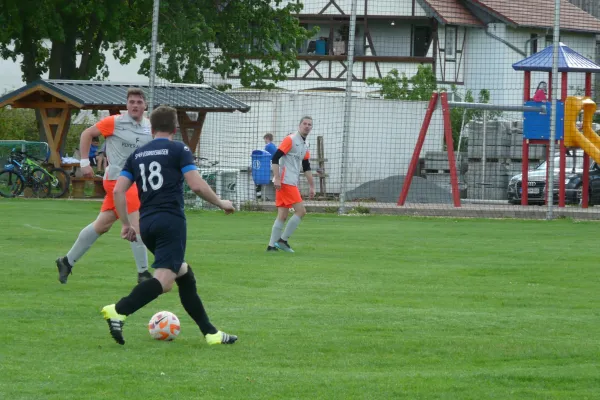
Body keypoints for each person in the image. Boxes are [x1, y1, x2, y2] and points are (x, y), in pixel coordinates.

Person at [100, 105, 237, 346]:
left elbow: (119, 190)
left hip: (147, 224)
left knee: (184, 274)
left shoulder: (137, 155)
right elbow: (196, 185)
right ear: (175, 128)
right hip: (170, 222)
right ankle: (118, 310)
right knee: (164, 282)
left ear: (151, 128)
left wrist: (125, 224)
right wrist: (220, 202)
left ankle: (211, 332)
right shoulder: (178, 149)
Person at [55, 88, 153, 284]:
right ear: (127, 105)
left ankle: (66, 261)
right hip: (118, 181)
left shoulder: (149, 127)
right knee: (137, 224)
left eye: (139, 102)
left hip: (136, 183)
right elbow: (86, 134)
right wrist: (84, 163)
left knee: (103, 224)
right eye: (131, 101)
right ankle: (143, 274)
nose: (135, 105)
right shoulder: (114, 122)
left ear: (145, 105)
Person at [266, 116, 315, 253]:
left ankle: (271, 247)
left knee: (282, 215)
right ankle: (282, 241)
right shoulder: (291, 139)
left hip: (291, 181)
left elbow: (306, 167)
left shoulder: (305, 145)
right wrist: (276, 177)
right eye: (304, 124)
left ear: (311, 127)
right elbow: (275, 157)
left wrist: (312, 186)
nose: (307, 126)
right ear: (299, 125)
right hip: (285, 181)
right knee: (301, 211)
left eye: (309, 124)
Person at [256, 133, 278, 199]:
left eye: (265, 139)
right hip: (275, 165)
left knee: (258, 181)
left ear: (267, 138)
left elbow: (263, 156)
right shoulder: (273, 146)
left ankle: (259, 198)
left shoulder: (267, 146)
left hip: (269, 166)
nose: (264, 141)